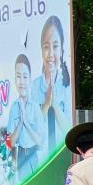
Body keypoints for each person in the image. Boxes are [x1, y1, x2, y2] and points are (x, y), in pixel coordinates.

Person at [32, 15, 73, 150]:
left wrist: (54, 104)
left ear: (61, 50)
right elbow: (31, 130)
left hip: (63, 156)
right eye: (46, 47)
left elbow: (70, 132)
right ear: (41, 51)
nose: (50, 54)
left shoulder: (67, 86)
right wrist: (46, 104)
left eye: (55, 46)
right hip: (41, 159)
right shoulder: (34, 87)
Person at [6, 54, 46, 178]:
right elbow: (10, 143)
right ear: (15, 79)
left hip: (33, 154)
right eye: (18, 77)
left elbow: (40, 141)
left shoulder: (35, 108)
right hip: (21, 155)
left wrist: (27, 123)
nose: (22, 82)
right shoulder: (14, 108)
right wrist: (21, 121)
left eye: (25, 77)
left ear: (30, 80)